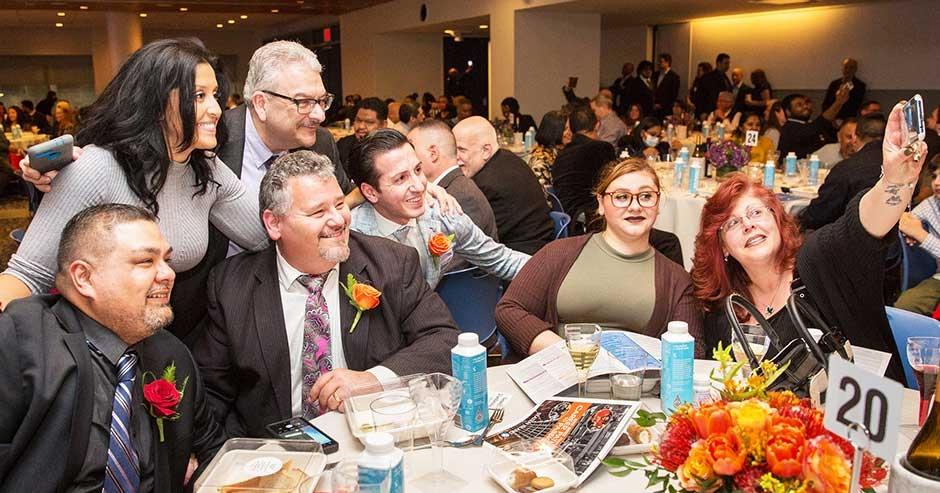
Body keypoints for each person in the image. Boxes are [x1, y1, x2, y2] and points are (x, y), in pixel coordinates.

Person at [0, 39, 269, 340]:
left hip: (165, 338)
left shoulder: (204, 166)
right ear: (156, 104)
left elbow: (265, 235)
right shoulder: (97, 166)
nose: (216, 109)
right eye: (198, 96)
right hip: (91, 346)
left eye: (215, 95)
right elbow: (27, 275)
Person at [193, 152, 460, 437]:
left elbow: (444, 339)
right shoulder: (233, 285)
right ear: (274, 223)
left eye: (340, 205)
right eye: (318, 212)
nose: (338, 220)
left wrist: (374, 380)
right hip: (279, 448)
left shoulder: (391, 263)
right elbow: (210, 391)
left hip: (373, 437)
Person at [690, 102, 923, 383]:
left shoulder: (819, 262)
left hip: (863, 406)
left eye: (756, 213)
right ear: (723, 246)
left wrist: (893, 183)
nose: (748, 224)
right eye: (733, 223)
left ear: (777, 219)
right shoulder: (724, 310)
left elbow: (860, 228)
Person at [0, 204, 224, 490]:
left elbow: (213, 452)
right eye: (146, 261)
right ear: (84, 277)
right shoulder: (21, 341)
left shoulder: (172, 355)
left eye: (166, 260)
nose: (168, 274)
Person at [496, 158, 705, 361]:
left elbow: (692, 350)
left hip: (633, 381)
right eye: (621, 197)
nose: (635, 206)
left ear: (657, 205)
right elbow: (509, 310)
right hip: (559, 372)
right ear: (601, 204)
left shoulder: (677, 281)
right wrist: (568, 354)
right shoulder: (558, 254)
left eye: (646, 196)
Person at [348, 129, 528, 288]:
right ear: (370, 192)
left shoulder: (440, 213)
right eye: (401, 178)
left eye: (418, 170)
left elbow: (500, 259)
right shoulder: (352, 236)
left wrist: (545, 269)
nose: (420, 186)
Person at [453, 116, 555, 255]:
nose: (455, 157)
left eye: (461, 150)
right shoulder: (507, 158)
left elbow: (470, 240)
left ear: (486, 151)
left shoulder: (486, 184)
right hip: (539, 244)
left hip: (526, 257)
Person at [407, 118, 499, 270]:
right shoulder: (443, 188)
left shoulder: (461, 195)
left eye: (411, 148)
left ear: (433, 153)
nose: (406, 157)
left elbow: (447, 265)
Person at [799, 113, 886, 231]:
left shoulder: (847, 169)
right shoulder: (903, 165)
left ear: (855, 138)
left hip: (851, 234)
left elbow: (818, 215)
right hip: (892, 235)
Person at [552, 105, 617, 230]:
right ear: (597, 125)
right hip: (588, 216)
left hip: (567, 218)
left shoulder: (562, 154)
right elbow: (615, 180)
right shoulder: (602, 148)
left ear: (571, 129)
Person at [896, 156, 940, 315]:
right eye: (934, 176)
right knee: (904, 306)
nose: (936, 182)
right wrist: (909, 228)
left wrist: (920, 235)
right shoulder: (932, 203)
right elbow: (905, 219)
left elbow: (916, 231)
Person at [778, 89, 848, 162]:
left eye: (806, 103)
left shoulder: (808, 124)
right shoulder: (789, 128)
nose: (805, 106)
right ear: (788, 112)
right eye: (799, 105)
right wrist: (838, 102)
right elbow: (818, 125)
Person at [337, 97, 388, 173]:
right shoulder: (343, 145)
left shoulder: (391, 150)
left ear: (383, 125)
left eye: (369, 122)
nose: (361, 126)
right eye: (358, 120)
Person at [527, 111, 566, 188]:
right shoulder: (540, 162)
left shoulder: (559, 152)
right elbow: (544, 192)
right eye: (566, 129)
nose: (570, 133)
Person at [653, 53, 679, 119]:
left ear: (667, 63)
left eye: (661, 61)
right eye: (658, 61)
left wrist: (661, 105)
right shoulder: (655, 74)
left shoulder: (674, 77)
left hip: (665, 109)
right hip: (654, 108)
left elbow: (673, 95)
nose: (658, 63)